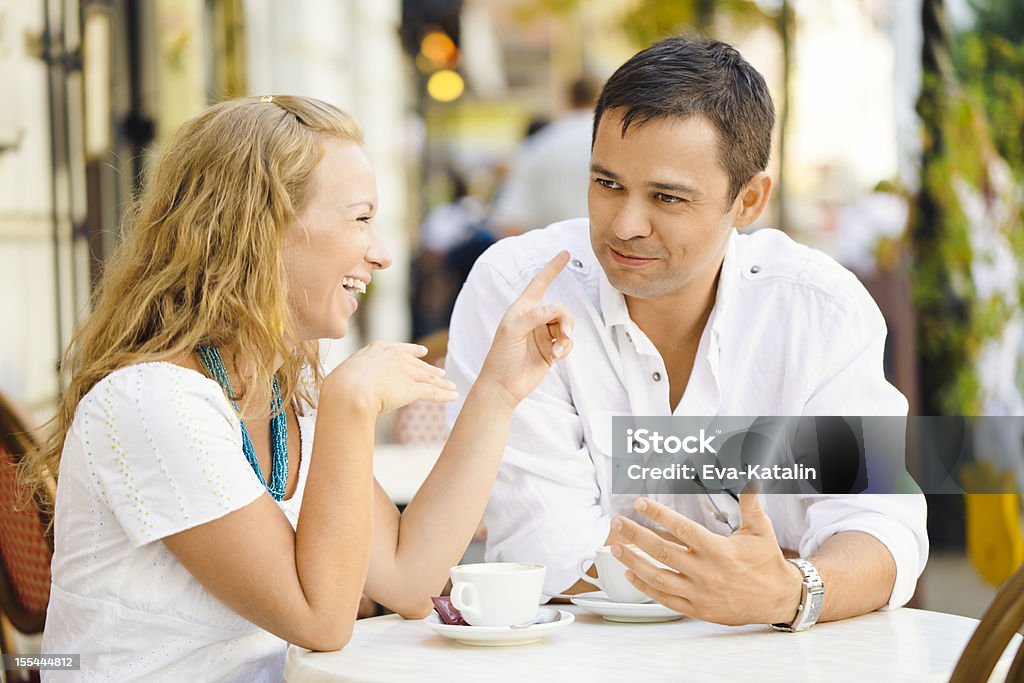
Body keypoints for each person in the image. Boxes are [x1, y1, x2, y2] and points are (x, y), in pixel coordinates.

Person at [22, 95, 574, 680]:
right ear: (264, 229)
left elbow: (412, 581)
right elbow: (320, 620)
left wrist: (497, 393)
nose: (382, 253)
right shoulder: (151, 403)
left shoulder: (282, 392)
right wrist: (350, 406)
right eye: (361, 218)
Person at [446, 35, 928, 629]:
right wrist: (739, 578)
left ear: (748, 201)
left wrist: (792, 589)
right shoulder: (517, 291)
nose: (624, 225)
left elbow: (883, 527)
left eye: (667, 197)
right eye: (607, 184)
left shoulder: (818, 309)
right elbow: (545, 550)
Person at [491, 76, 601, 237]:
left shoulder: (538, 145)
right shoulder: (618, 143)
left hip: (553, 257)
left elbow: (511, 223)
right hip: (614, 256)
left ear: (568, 99)